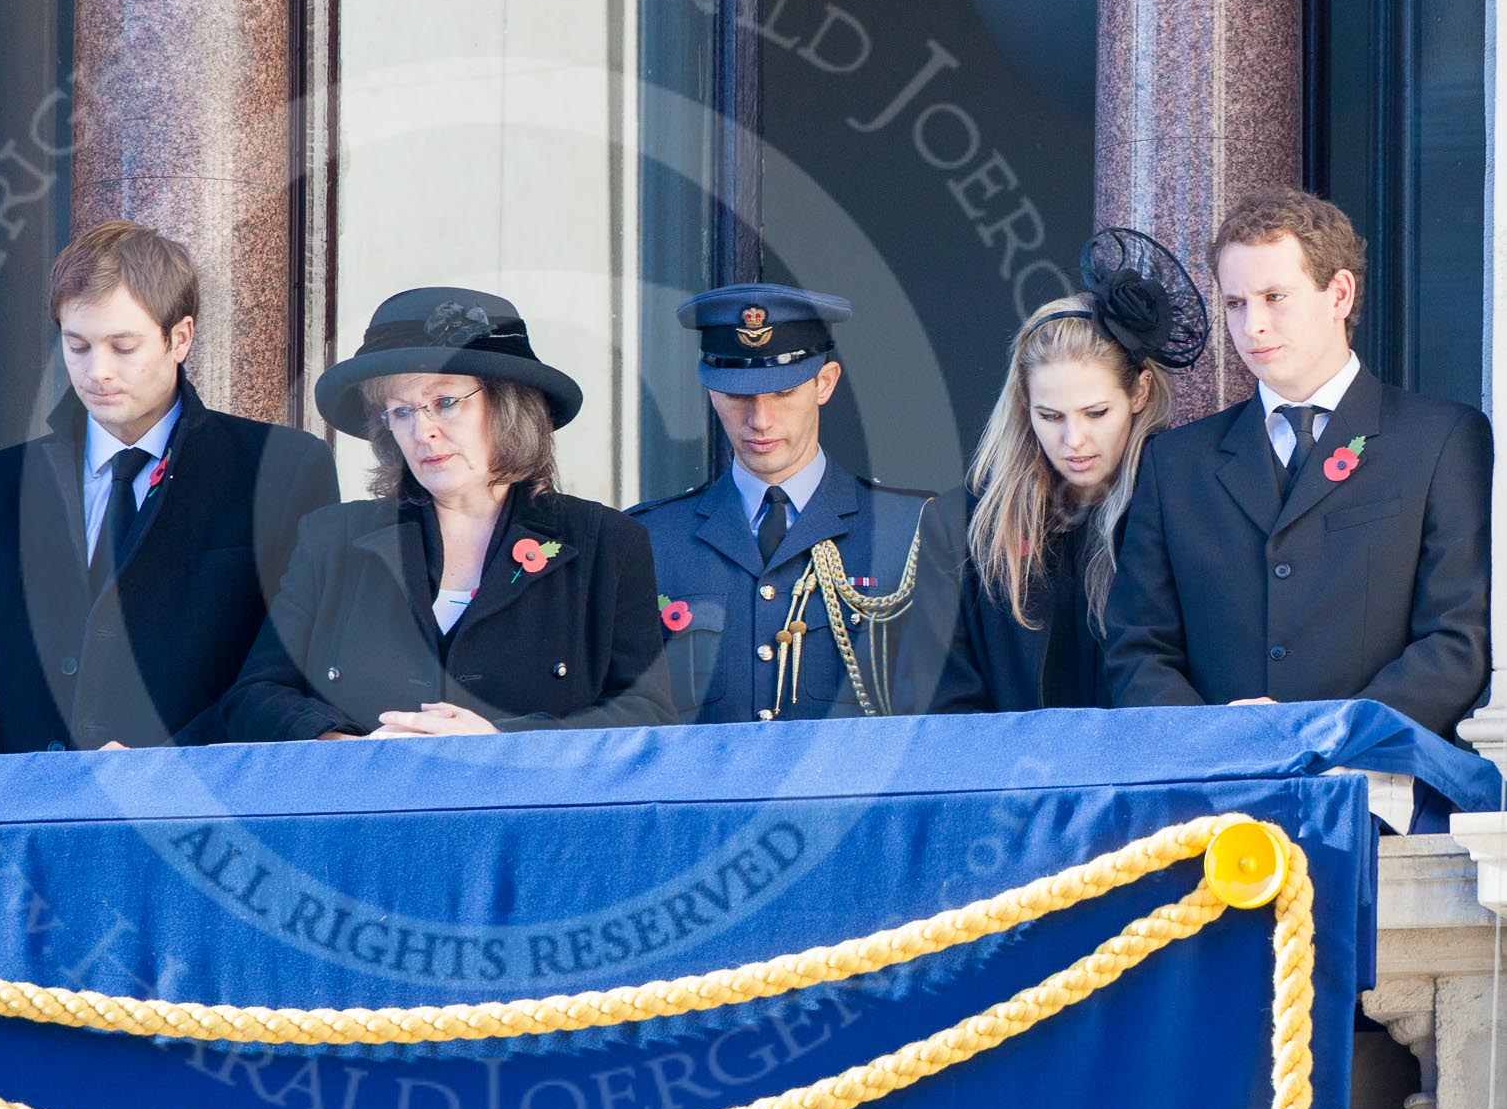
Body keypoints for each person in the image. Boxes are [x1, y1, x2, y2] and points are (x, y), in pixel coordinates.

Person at [0, 221, 338, 754]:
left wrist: (162, 766)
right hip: (29, 816)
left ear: (179, 338)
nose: (98, 372)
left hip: (201, 813)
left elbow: (289, 671)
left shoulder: (283, 469)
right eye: (78, 346)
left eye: (123, 346)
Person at [1105, 186, 1491, 744]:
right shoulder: (1175, 463)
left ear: (1338, 294)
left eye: (1274, 297)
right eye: (1236, 303)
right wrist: (1219, 741)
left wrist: (1324, 736)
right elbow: (1138, 647)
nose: (1252, 325)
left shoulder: (1441, 439)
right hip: (1214, 792)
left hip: (1381, 793)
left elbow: (1457, 641)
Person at [222, 287, 674, 741]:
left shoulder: (607, 542)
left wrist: (501, 744)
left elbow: (646, 715)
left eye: (445, 403)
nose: (423, 432)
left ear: (506, 406)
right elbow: (255, 697)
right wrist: (344, 747)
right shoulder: (331, 537)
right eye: (400, 412)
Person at [630, 284, 944, 723]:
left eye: (782, 393)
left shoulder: (911, 529)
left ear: (825, 383)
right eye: (738, 395)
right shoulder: (650, 539)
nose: (760, 420)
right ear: (711, 390)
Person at [932, 230, 1196, 712]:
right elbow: (949, 703)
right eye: (1050, 416)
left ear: (1138, 393)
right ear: (1024, 406)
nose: (1073, 441)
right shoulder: (968, 524)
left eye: (1096, 413)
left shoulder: (1184, 507)